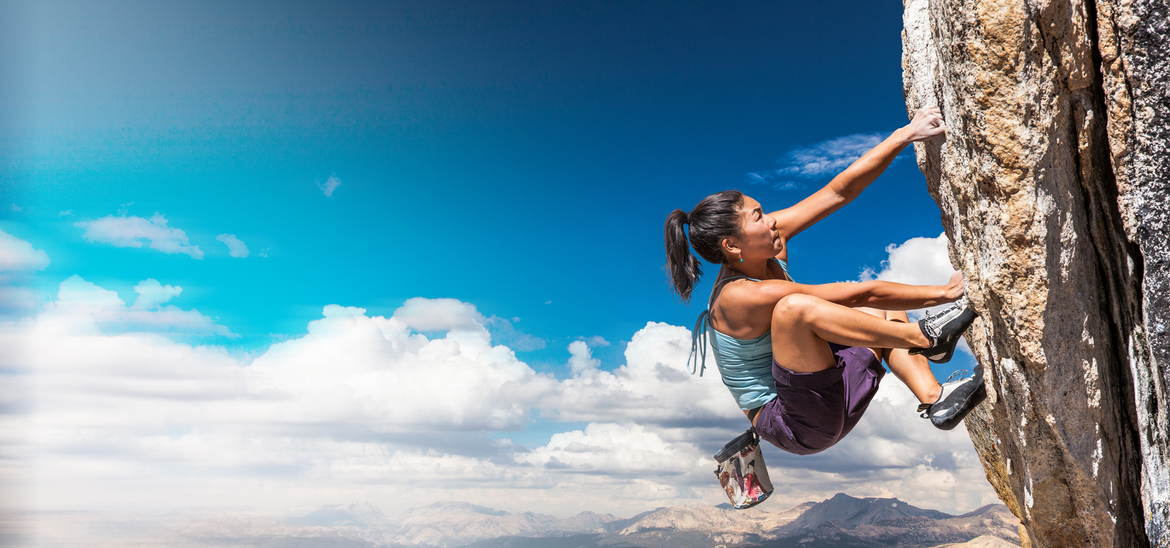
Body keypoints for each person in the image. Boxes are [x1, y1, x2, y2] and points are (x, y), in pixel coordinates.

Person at [663, 107, 985, 456]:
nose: (771, 220)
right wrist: (944, 293)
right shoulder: (737, 297)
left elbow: (838, 192)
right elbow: (856, 294)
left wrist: (903, 135)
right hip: (795, 423)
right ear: (732, 244)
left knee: (885, 314)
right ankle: (926, 338)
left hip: (828, 389)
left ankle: (937, 399)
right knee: (794, 309)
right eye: (758, 217)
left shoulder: (767, 243)